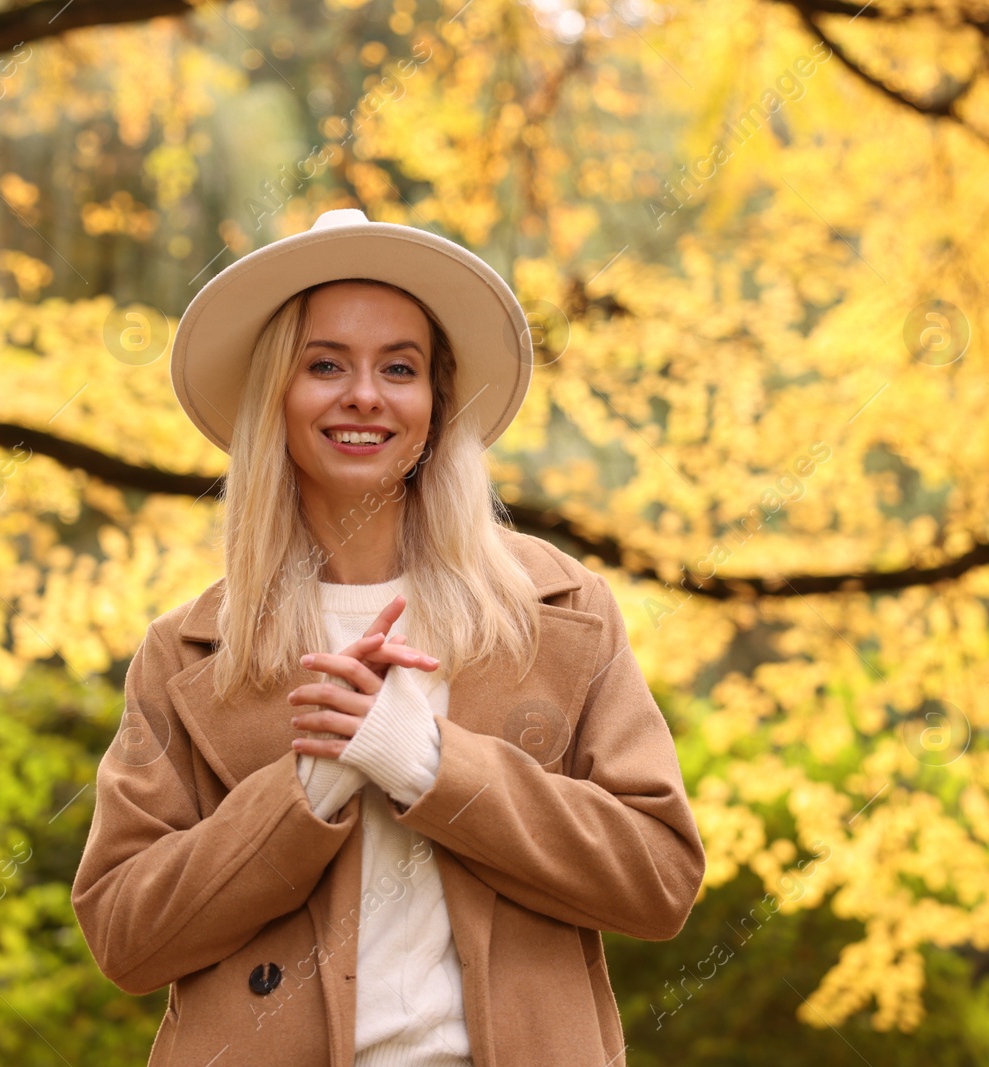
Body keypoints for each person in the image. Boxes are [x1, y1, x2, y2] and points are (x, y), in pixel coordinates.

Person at [70, 208, 705, 1066]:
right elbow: (125, 937)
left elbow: (658, 878)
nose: (364, 394)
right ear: (276, 397)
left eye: (398, 368)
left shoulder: (559, 609)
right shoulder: (188, 651)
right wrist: (308, 785)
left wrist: (429, 763)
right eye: (325, 363)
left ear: (437, 403)